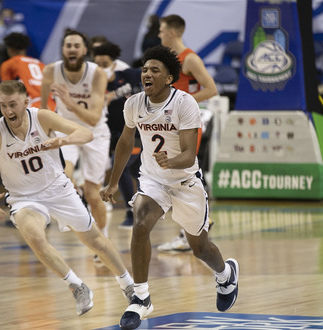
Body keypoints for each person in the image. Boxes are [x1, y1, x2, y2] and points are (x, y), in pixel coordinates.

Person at [0, 80, 135, 316]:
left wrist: (64, 140)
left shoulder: (42, 118)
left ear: (26, 102)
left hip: (58, 189)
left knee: (96, 241)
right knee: (35, 239)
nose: (8, 111)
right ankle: (77, 286)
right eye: (3, 105)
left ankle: (128, 284)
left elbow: (85, 133)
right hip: (23, 198)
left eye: (13, 105)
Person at [101, 45, 238, 330]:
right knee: (140, 223)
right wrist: (114, 181)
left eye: (154, 70)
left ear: (169, 78)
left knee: (199, 249)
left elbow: (190, 155)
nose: (147, 74)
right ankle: (140, 298)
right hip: (154, 180)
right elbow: (125, 142)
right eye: (144, 69)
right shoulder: (134, 103)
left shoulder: (185, 103)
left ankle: (225, 274)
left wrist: (171, 160)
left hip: (186, 181)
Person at [41, 29, 111, 249]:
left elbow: (93, 117)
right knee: (64, 174)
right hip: (67, 130)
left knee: (93, 194)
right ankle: (68, 198)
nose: (72, 49)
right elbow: (44, 108)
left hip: (95, 133)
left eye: (76, 46)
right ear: (62, 49)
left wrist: (69, 101)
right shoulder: (51, 71)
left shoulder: (97, 73)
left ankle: (103, 239)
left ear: (84, 50)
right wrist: (47, 131)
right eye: (68, 45)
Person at [157, 14, 218, 252]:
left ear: (172, 32)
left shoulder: (189, 58)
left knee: (183, 173)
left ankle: (191, 229)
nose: (159, 34)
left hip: (187, 123)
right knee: (172, 175)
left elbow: (211, 89)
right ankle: (196, 225)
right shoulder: (168, 59)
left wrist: (182, 102)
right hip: (170, 124)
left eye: (162, 31)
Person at [93, 42, 143, 229]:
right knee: (133, 170)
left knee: (120, 166)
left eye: (105, 64)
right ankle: (145, 206)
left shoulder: (128, 75)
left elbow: (154, 75)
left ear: (114, 64)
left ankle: (132, 211)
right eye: (98, 65)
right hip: (111, 135)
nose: (101, 69)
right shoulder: (94, 85)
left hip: (135, 132)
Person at [0, 32, 56, 110]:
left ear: (10, 49)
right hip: (53, 106)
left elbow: (6, 93)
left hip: (33, 107)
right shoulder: (40, 64)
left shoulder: (9, 64)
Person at [0, 8, 27, 86]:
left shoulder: (18, 27)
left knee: (6, 44)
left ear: (12, 17)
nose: (6, 18)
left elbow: (19, 41)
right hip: (2, 53)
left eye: (8, 16)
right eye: (4, 16)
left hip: (14, 50)